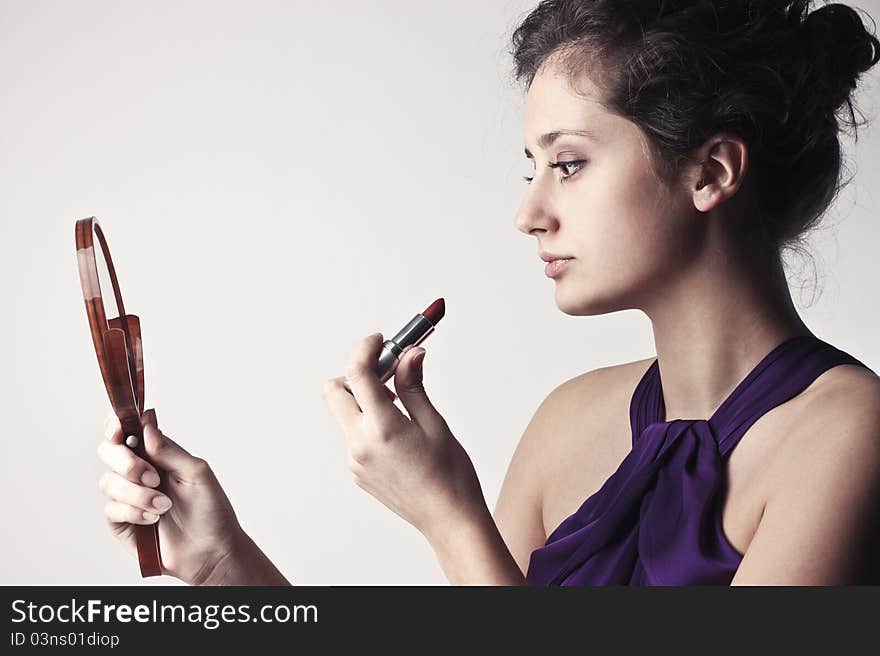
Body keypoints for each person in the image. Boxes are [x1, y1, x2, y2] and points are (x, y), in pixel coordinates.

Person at [97, 0, 880, 585]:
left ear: (711, 171)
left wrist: (448, 517)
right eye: (529, 169)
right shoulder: (570, 420)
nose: (528, 214)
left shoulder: (850, 436)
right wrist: (219, 560)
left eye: (567, 164)